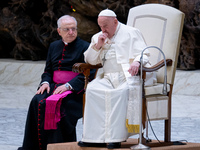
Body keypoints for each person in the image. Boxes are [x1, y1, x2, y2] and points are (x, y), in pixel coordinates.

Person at [78, 9, 152, 149]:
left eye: (105, 26)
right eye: (100, 26)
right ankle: (93, 137)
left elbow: (145, 53)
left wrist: (137, 61)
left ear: (115, 22)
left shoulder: (131, 32)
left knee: (120, 93)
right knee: (92, 90)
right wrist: (98, 45)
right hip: (107, 77)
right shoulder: (97, 37)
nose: (103, 29)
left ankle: (116, 138)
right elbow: (91, 61)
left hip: (127, 76)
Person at [18, 15, 95, 150]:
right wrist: (45, 83)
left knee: (60, 106)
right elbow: (48, 71)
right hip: (53, 87)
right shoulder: (54, 46)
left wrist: (68, 86)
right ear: (59, 31)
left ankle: (59, 147)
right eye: (67, 29)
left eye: (73, 29)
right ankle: (34, 147)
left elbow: (89, 73)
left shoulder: (86, 47)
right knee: (37, 101)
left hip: (74, 90)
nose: (71, 32)